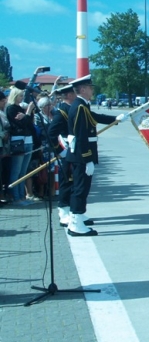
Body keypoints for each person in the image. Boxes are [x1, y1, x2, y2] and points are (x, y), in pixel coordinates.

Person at [65, 76, 127, 236]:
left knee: (81, 188)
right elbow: (81, 136)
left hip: (82, 154)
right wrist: (87, 159)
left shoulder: (83, 106)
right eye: (90, 87)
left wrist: (115, 119)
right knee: (80, 188)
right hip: (82, 155)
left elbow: (95, 117)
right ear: (83, 89)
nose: (92, 90)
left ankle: (77, 217)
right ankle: (75, 224)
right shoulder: (79, 107)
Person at [48, 83, 77, 225]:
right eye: (75, 93)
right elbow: (51, 134)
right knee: (66, 181)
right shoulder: (62, 112)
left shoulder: (73, 109)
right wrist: (60, 151)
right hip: (66, 150)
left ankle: (73, 211)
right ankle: (63, 212)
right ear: (70, 95)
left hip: (74, 150)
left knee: (74, 182)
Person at [6, 86, 37, 205]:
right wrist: (27, 113)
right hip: (18, 141)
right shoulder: (11, 109)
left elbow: (29, 123)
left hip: (28, 140)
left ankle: (22, 196)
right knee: (17, 171)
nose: (21, 98)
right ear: (14, 96)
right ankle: (16, 197)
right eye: (20, 96)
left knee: (23, 171)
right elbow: (20, 124)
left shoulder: (20, 108)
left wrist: (27, 115)